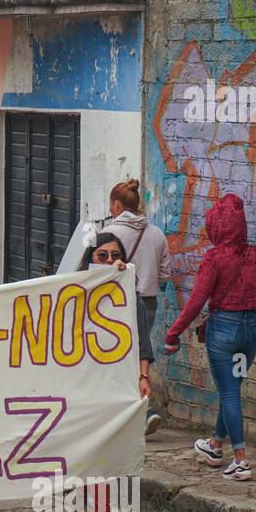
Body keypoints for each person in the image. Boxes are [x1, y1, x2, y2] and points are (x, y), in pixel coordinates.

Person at [164, 193, 256, 483]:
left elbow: (196, 301)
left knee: (228, 392)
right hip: (249, 332)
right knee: (233, 390)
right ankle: (215, 445)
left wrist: (173, 333)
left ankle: (240, 460)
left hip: (222, 332)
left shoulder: (214, 258)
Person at [79, 232, 137, 512]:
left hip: (113, 384)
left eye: (117, 255)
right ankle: (99, 508)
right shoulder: (72, 293)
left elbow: (140, 338)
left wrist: (143, 376)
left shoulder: (127, 294)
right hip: (80, 384)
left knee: (104, 449)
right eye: (103, 256)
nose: (111, 261)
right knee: (89, 447)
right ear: (90, 258)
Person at [104, 179, 172, 435]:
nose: (110, 209)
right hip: (149, 302)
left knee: (119, 360)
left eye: (111, 205)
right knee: (137, 357)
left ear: (117, 205)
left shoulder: (111, 235)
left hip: (120, 303)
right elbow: (165, 274)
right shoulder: (156, 234)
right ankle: (140, 412)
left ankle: (144, 412)